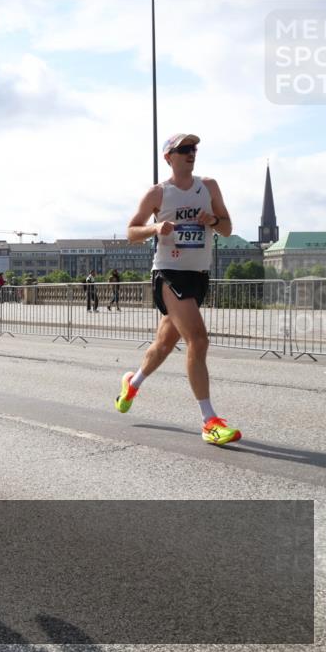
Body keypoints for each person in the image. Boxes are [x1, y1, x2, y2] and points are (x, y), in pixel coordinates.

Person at [115, 133, 240, 445]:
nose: (191, 153)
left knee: (163, 345)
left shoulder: (208, 186)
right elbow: (131, 231)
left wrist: (212, 219)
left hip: (198, 275)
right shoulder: (159, 193)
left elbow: (227, 228)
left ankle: (133, 382)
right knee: (198, 339)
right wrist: (155, 227)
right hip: (168, 274)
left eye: (194, 149)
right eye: (184, 149)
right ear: (168, 157)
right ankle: (209, 421)